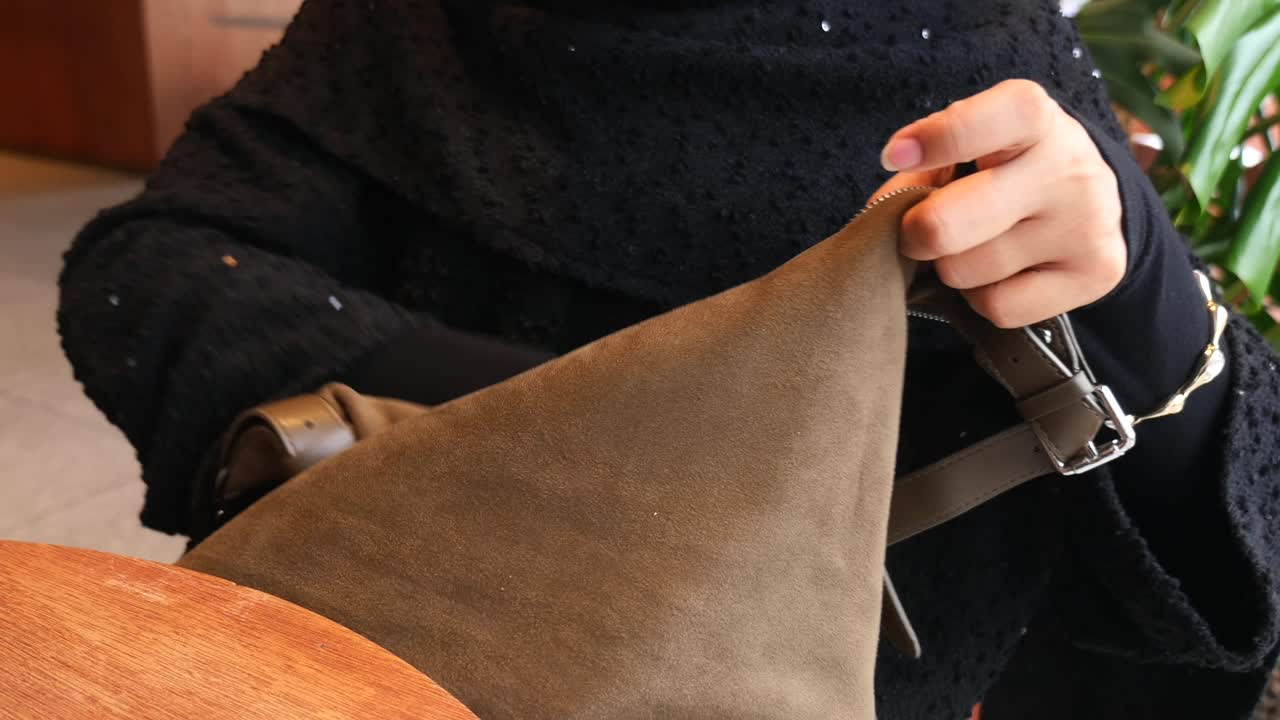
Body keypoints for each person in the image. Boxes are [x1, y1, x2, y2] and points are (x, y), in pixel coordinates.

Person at [56, 1, 1280, 717]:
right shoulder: (422, 24)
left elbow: (1218, 526)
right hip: (394, 662)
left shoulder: (974, 57)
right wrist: (601, 430)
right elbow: (159, 265)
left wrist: (1137, 302)